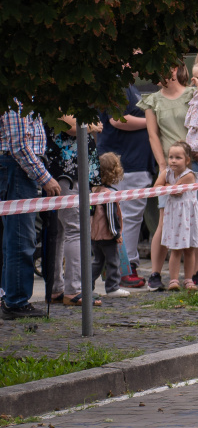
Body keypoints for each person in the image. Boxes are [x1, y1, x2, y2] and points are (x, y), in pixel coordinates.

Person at [0, 101, 59, 319]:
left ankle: (12, 297)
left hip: (18, 168)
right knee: (20, 238)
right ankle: (16, 301)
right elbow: (18, 146)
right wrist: (45, 178)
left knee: (15, 238)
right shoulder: (15, 99)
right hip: (18, 169)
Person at [138, 64, 195, 291]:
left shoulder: (192, 94)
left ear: (175, 69)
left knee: (194, 219)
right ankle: (155, 274)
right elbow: (153, 134)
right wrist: (163, 165)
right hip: (169, 165)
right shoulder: (152, 100)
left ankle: (193, 275)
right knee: (163, 222)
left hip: (193, 163)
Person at [98, 80, 154, 288]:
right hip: (127, 164)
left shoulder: (128, 85)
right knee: (128, 218)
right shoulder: (118, 84)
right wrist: (151, 121)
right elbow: (118, 120)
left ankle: (115, 268)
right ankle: (125, 268)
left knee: (122, 218)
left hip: (129, 162)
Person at [47, 115, 103, 307]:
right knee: (75, 230)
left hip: (67, 172)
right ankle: (74, 290)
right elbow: (71, 126)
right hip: (67, 172)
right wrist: (91, 125)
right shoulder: (59, 96)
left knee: (61, 232)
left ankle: (57, 288)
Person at [154, 141, 198, 291]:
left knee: (189, 249)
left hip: (188, 215)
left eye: (178, 157)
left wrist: (167, 186)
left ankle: (188, 279)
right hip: (173, 215)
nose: (173, 160)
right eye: (171, 157)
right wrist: (169, 186)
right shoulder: (166, 172)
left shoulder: (190, 175)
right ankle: (173, 280)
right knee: (175, 248)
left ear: (187, 160)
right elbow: (156, 187)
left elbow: (178, 191)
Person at [90, 152, 129, 298]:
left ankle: (87, 286)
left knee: (98, 261)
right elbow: (111, 216)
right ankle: (112, 287)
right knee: (113, 261)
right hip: (107, 235)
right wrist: (116, 234)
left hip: (94, 234)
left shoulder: (93, 190)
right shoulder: (108, 193)